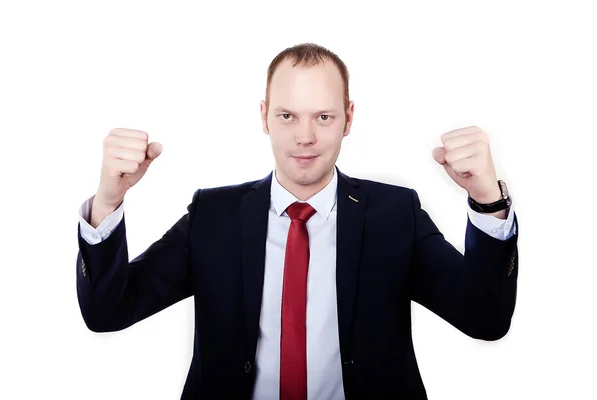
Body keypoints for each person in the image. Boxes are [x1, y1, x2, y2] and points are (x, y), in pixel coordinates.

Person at [76, 43, 519, 399]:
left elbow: (485, 319)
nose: (304, 136)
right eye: (287, 116)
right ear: (264, 116)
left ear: (348, 118)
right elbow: (108, 312)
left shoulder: (394, 214)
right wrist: (109, 198)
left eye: (323, 117)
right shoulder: (214, 216)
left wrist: (485, 200)